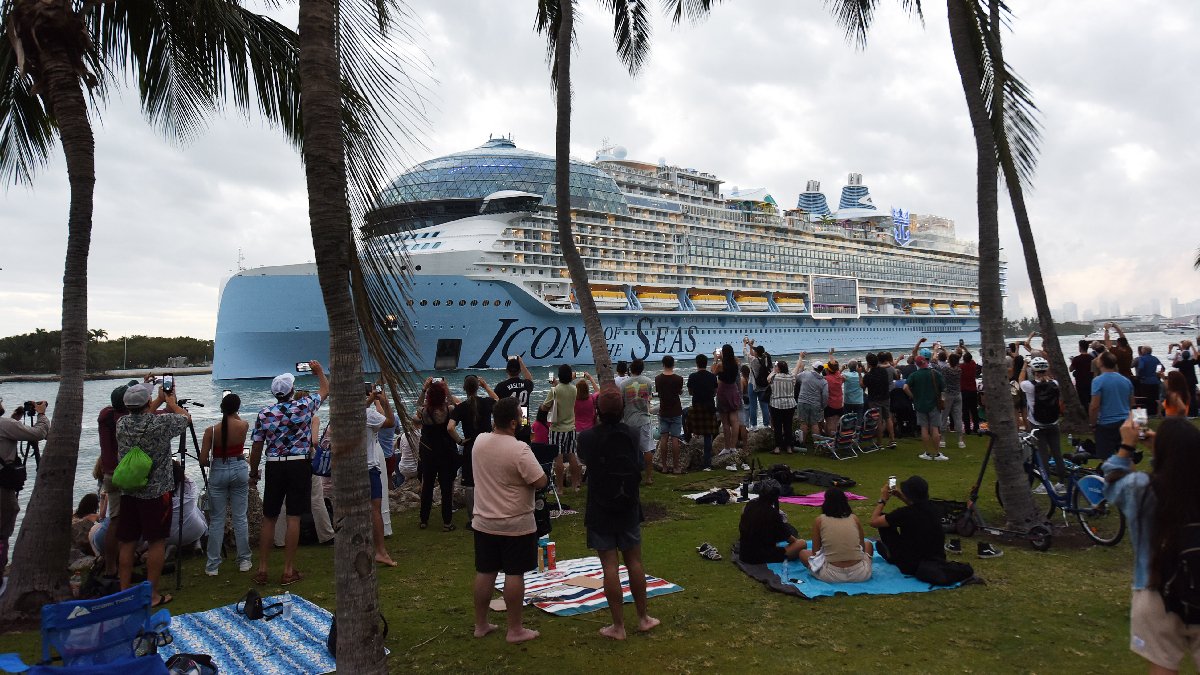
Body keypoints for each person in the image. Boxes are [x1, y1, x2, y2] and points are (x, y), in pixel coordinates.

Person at [1103, 417, 1200, 672]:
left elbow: (1112, 484)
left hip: (1155, 587)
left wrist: (1128, 445)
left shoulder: (1142, 489)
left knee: (1161, 667)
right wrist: (1176, 447)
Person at [578, 386, 660, 640]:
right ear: (622, 409)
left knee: (609, 566)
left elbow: (583, 460)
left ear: (598, 410)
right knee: (634, 561)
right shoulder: (633, 434)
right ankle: (643, 618)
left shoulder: (587, 438)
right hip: (628, 502)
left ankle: (618, 626)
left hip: (600, 505)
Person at [470, 398, 549, 644]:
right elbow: (540, 480)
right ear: (514, 422)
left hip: (484, 520)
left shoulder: (479, 441)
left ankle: (481, 623)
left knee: (486, 571)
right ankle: (514, 629)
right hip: (515, 522)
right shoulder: (519, 449)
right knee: (514, 573)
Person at [249, 362, 328, 586]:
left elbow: (256, 447)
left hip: (274, 464)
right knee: (293, 516)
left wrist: (253, 472)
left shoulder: (264, 414)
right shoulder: (304, 407)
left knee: (269, 517)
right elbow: (325, 391)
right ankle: (287, 570)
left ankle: (263, 569)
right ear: (292, 391)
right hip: (298, 464)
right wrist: (319, 372)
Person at [116, 383, 190, 607]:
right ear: (147, 403)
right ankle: (152, 594)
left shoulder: (121, 424)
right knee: (156, 541)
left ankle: (124, 591)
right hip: (156, 492)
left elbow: (141, 416)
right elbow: (186, 418)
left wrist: (156, 402)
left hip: (129, 491)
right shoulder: (160, 423)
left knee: (128, 541)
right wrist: (171, 403)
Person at [199, 393, 252, 575]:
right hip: (239, 468)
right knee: (240, 517)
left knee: (217, 520)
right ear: (237, 408)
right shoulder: (243, 426)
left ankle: (213, 565)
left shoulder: (211, 431)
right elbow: (237, 419)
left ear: (222, 408)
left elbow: (203, 459)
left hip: (219, 470)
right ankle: (244, 560)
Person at [0, 397, 49, 572]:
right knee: (4, 526)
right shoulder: (4, 425)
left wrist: (14, 421)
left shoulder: (7, 424)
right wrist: (41, 415)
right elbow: (38, 434)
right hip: (2, 488)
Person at [97, 381, 138, 576]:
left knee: (114, 519)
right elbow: (147, 413)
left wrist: (142, 385)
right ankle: (125, 566)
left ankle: (110, 566)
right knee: (131, 520)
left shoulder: (105, 416)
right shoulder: (127, 421)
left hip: (109, 475)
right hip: (126, 474)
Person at [868, 475, 947, 575]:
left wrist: (883, 500)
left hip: (910, 565)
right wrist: (900, 496)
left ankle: (892, 556)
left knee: (884, 521)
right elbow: (918, 506)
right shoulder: (934, 507)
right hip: (936, 558)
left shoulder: (904, 514)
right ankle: (891, 553)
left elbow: (874, 521)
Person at [451, 375, 497, 531]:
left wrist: (459, 441)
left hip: (471, 445)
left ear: (464, 388)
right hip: (487, 444)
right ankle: (490, 513)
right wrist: (487, 387)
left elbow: (450, 427)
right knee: (489, 479)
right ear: (478, 387)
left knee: (470, 484)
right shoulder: (486, 402)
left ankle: (473, 519)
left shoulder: (461, 407)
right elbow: (501, 403)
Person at [798, 488, 874, 583]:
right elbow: (862, 548)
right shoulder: (854, 518)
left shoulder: (819, 520)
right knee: (868, 545)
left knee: (803, 553)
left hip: (830, 575)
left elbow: (815, 553)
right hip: (860, 574)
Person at [361, 384, 397, 565]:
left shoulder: (341, 413)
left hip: (348, 469)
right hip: (368, 465)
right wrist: (385, 401)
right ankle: (380, 551)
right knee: (375, 509)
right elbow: (390, 422)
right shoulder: (368, 415)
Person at [417, 378, 458, 531]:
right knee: (446, 488)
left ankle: (424, 519)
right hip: (446, 453)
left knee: (427, 485)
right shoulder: (449, 410)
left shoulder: (424, 412)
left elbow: (417, 405)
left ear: (429, 396)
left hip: (429, 453)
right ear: (443, 395)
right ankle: (447, 522)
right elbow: (456, 405)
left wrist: (424, 388)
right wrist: (447, 388)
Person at [1020, 357, 1066, 491]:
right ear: (1046, 370)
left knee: (1043, 454)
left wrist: (1024, 365)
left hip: (1037, 424)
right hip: (1053, 422)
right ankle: (1062, 482)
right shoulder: (1055, 383)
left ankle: (1046, 483)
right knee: (1057, 452)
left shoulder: (1029, 386)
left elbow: (1020, 381)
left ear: (1033, 371)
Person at [737, 479, 804, 564]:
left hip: (744, 553)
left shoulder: (749, 506)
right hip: (759, 556)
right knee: (801, 543)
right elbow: (791, 540)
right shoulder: (772, 515)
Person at [542, 364, 581, 491]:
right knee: (572, 455)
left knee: (557, 457)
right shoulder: (574, 389)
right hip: (571, 427)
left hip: (557, 428)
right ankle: (576, 485)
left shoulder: (554, 390)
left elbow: (545, 407)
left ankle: (560, 488)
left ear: (558, 375)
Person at [1090, 351, 1134, 461]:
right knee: (1126, 456)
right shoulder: (1126, 380)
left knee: (1107, 459)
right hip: (1124, 422)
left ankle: (1111, 477)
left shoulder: (1098, 381)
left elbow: (1095, 406)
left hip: (1106, 424)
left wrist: (1093, 423)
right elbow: (1131, 403)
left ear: (1101, 363)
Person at [905, 356, 947, 461]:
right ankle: (937, 454)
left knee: (924, 428)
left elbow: (905, 387)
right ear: (926, 362)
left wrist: (913, 396)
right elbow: (943, 389)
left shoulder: (914, 375)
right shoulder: (935, 373)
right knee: (935, 428)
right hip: (933, 404)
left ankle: (927, 453)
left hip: (920, 404)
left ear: (917, 364)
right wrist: (942, 400)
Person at [620, 359, 655, 485]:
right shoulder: (648, 382)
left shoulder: (623, 384)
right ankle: (649, 477)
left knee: (630, 451)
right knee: (647, 449)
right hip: (644, 418)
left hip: (629, 420)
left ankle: (632, 475)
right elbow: (648, 399)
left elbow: (621, 402)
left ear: (631, 369)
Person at [687, 354, 720, 470]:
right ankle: (707, 463)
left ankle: (688, 458)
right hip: (709, 407)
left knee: (689, 428)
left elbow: (690, 392)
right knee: (708, 436)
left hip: (696, 407)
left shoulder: (692, 376)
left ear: (696, 363)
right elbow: (715, 392)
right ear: (706, 363)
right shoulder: (712, 377)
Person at [655, 356, 686, 474]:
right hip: (676, 410)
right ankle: (676, 467)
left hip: (663, 410)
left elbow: (659, 392)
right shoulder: (679, 378)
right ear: (673, 365)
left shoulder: (658, 378)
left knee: (663, 438)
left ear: (663, 364)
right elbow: (679, 391)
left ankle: (664, 466)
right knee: (675, 439)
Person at [168, 461, 208, 551]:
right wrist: (179, 469)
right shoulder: (190, 486)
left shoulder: (160, 493)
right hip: (196, 530)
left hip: (167, 535)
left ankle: (169, 547)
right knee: (194, 509)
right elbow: (184, 478)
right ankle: (197, 542)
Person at [496, 356, 535, 442]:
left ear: (507, 371)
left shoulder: (501, 386)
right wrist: (521, 362)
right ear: (520, 370)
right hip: (524, 418)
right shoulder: (526, 384)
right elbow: (529, 378)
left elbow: (496, 402)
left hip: (509, 422)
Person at [794, 356, 828, 452]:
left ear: (813, 367)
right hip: (815, 403)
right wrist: (823, 405)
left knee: (803, 423)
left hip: (803, 402)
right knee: (814, 424)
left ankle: (802, 444)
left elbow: (796, 377)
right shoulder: (823, 381)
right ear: (821, 370)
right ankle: (816, 445)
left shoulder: (805, 374)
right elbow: (825, 395)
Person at [714, 345, 742, 456]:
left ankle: (726, 447)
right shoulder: (737, 363)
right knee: (735, 421)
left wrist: (716, 360)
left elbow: (713, 374)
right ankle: (733, 447)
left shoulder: (720, 365)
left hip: (723, 391)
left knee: (725, 422)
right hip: (733, 389)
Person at [863, 353, 896, 448]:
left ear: (869, 364)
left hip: (874, 399)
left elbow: (863, 385)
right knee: (888, 418)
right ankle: (892, 440)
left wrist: (860, 373)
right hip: (885, 397)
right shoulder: (884, 371)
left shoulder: (869, 375)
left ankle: (879, 443)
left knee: (878, 421)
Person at [766, 360, 797, 455]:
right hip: (790, 404)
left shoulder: (774, 377)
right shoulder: (791, 377)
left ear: (778, 368)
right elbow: (795, 371)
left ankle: (778, 447)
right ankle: (788, 447)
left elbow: (768, 379)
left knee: (777, 426)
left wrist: (774, 371)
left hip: (776, 404)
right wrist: (800, 359)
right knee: (788, 426)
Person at [743, 339, 772, 429]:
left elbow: (745, 353)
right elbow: (758, 353)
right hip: (764, 385)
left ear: (756, 353)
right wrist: (751, 346)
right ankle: (766, 424)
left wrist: (745, 345)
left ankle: (754, 425)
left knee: (753, 405)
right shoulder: (766, 359)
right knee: (764, 405)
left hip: (753, 384)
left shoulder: (753, 360)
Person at [942, 352, 966, 449]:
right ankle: (960, 440)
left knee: (944, 415)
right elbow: (954, 360)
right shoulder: (959, 370)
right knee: (958, 417)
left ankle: (942, 439)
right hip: (958, 394)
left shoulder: (946, 370)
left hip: (948, 394)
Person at [1133, 347, 1164, 416]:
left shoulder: (1142, 359)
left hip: (1145, 381)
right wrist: (1156, 373)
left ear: (1144, 352)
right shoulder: (1155, 359)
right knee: (1156, 398)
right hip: (1155, 381)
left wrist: (1140, 376)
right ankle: (1157, 413)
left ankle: (1147, 413)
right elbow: (1161, 368)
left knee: (1144, 397)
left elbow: (1141, 368)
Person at [1069, 339, 1095, 412]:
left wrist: (1072, 361)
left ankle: (1086, 414)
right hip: (1090, 382)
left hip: (1080, 382)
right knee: (1090, 399)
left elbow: (1070, 369)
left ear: (1080, 348)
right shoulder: (1092, 358)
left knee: (1083, 401)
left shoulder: (1076, 359)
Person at [960, 351, 981, 435]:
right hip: (973, 390)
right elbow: (970, 358)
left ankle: (967, 428)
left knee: (965, 411)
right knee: (974, 410)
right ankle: (976, 428)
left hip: (964, 391)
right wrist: (964, 348)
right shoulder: (973, 364)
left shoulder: (961, 367)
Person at [823, 354, 845, 434]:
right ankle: (837, 438)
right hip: (839, 404)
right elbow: (836, 371)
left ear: (828, 370)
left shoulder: (826, 379)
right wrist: (830, 355)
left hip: (830, 404)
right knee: (837, 423)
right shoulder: (840, 377)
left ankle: (831, 439)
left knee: (830, 422)